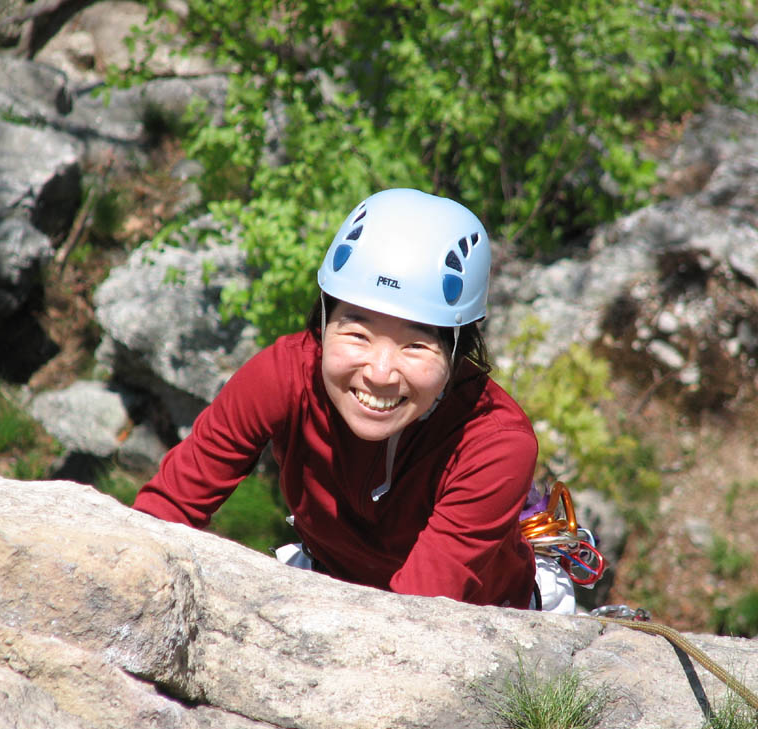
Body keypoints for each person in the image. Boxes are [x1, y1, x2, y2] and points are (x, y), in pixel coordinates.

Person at [134, 188, 539, 609]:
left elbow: (419, 612)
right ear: (324, 320)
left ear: (456, 351)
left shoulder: (494, 443)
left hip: (475, 621)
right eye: (357, 333)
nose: (380, 373)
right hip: (333, 583)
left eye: (416, 345)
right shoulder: (284, 376)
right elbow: (166, 510)